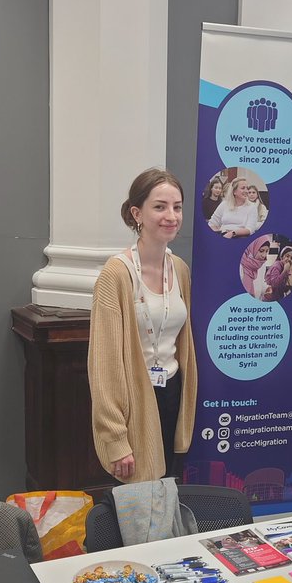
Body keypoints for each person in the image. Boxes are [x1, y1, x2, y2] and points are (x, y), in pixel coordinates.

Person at [88, 168, 198, 484]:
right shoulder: (117, 274)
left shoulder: (179, 269)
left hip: (172, 393)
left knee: (168, 493)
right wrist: (115, 439)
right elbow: (104, 364)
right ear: (137, 213)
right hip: (135, 401)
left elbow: (182, 343)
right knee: (140, 502)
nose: (171, 216)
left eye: (177, 207)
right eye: (160, 206)